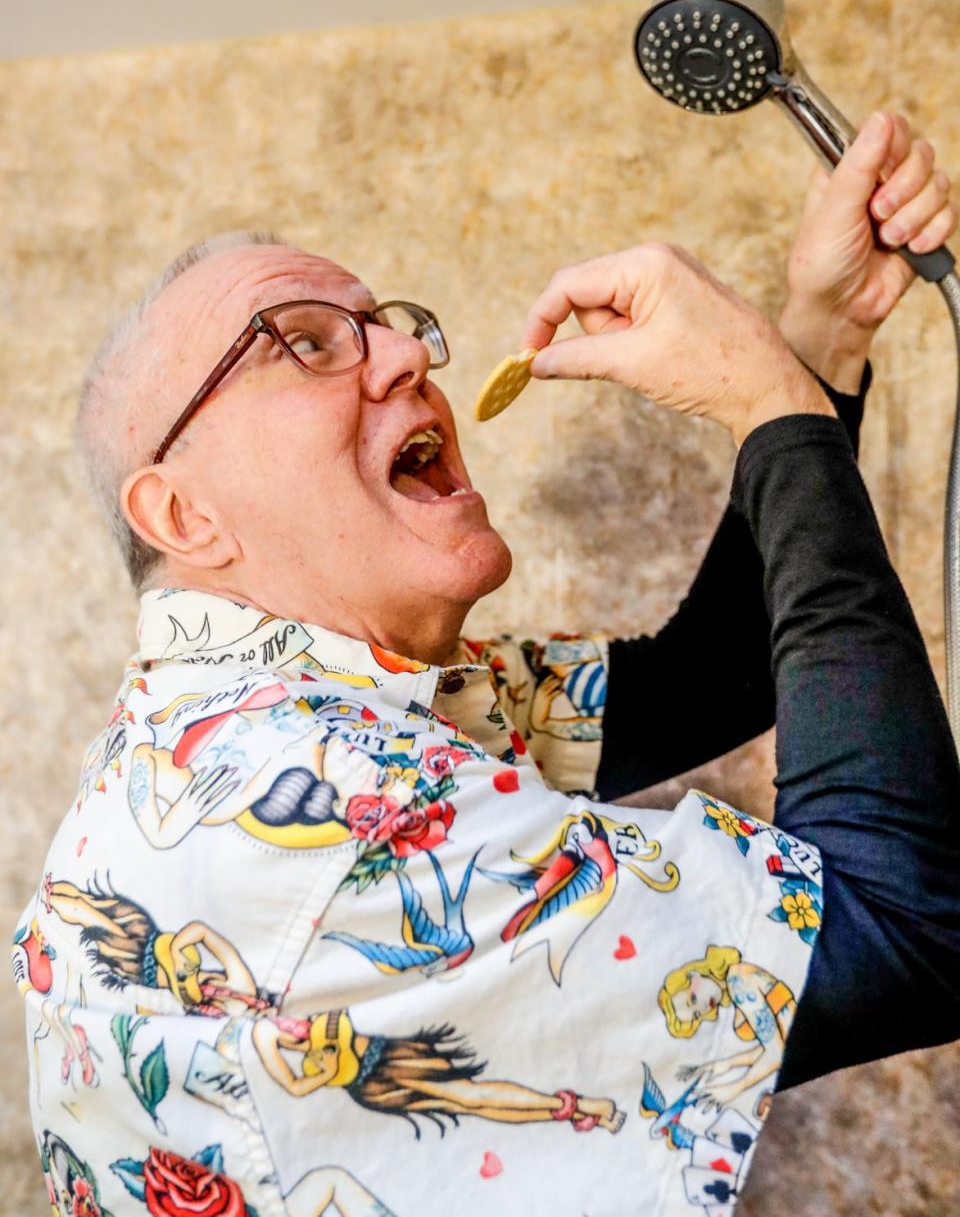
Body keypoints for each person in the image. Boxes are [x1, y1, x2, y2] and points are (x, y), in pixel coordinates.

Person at [12, 110, 960, 1217]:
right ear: (183, 511)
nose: (413, 355)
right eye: (305, 342)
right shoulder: (315, 802)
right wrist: (772, 410)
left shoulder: (277, 723)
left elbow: (710, 679)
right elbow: (907, 924)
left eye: (389, 326)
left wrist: (818, 338)